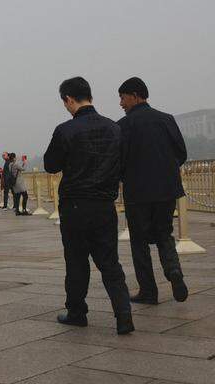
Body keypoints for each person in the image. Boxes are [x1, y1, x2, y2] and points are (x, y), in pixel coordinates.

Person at [44, 76, 133, 335]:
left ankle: (77, 312)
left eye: (65, 102)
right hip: (105, 205)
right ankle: (124, 314)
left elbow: (51, 165)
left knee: (76, 261)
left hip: (74, 206)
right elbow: (123, 164)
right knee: (109, 262)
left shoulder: (65, 130)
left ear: (69, 99)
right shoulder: (115, 129)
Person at [117, 77, 189, 304]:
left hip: (138, 193)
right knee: (164, 234)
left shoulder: (124, 125)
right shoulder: (166, 119)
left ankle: (148, 291)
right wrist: (164, 170)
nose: (121, 103)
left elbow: (118, 160)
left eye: (122, 97)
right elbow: (181, 153)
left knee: (139, 242)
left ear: (135, 96)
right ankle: (174, 272)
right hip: (166, 191)